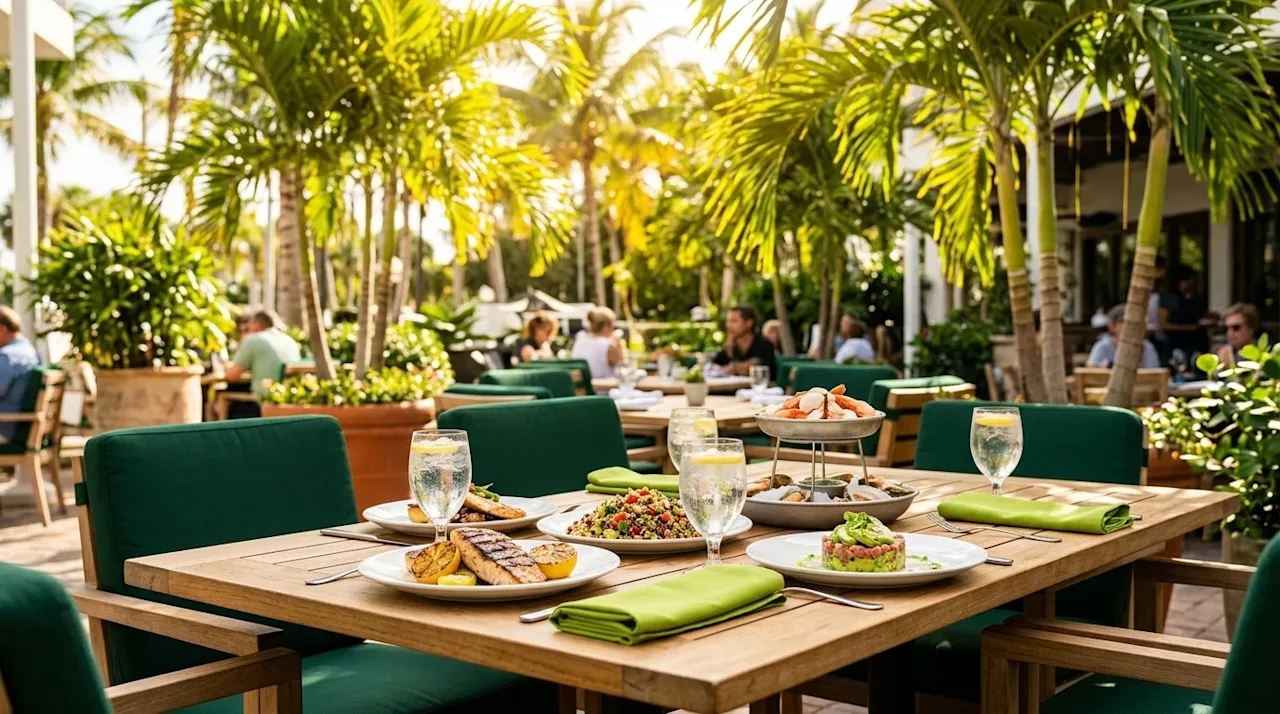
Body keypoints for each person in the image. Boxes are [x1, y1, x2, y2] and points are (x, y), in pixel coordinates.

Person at [225, 309, 301, 398]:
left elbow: (231, 375)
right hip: (287, 398)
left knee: (215, 401)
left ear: (256, 324)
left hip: (263, 400)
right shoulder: (290, 341)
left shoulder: (254, 340)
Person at [0, 307, 40, 444]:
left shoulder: (7, 356)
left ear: (1, 329)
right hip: (22, 427)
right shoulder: (30, 352)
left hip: (5, 430)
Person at [713, 305, 777, 380]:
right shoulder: (731, 346)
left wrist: (734, 368)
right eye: (728, 321)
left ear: (749, 323)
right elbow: (714, 366)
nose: (728, 326)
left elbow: (755, 368)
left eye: (734, 321)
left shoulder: (763, 345)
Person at [1160, 265, 1211, 359]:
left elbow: (1203, 315)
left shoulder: (1197, 298)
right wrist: (1187, 327)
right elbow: (1163, 325)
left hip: (1198, 342)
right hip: (1177, 343)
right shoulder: (1169, 299)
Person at [1087, 304, 1160, 369]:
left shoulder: (1148, 347)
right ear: (1112, 326)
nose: (1133, 327)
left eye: (1137, 322)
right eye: (1127, 322)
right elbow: (1091, 372)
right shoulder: (1102, 347)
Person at [572, 307, 624, 380]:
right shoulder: (608, 345)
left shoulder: (580, 338)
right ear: (606, 326)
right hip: (605, 389)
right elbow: (624, 368)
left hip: (583, 389)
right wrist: (617, 343)